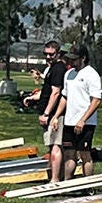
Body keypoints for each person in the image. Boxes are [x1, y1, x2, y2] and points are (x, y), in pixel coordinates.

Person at [59, 44, 102, 178]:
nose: (71, 62)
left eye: (75, 59)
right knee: (69, 154)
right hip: (70, 121)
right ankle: (67, 183)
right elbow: (64, 97)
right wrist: (56, 116)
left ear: (83, 58)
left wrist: (83, 120)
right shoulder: (68, 74)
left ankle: (88, 186)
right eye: (70, 59)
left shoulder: (91, 74)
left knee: (84, 154)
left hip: (86, 123)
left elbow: (96, 100)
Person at [33, 41, 67, 183]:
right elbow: (47, 91)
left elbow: (56, 92)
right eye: (45, 54)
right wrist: (33, 98)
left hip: (54, 115)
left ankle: (55, 179)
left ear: (58, 53)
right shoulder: (52, 68)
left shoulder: (58, 68)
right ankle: (56, 175)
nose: (48, 56)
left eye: (51, 54)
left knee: (55, 146)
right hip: (50, 113)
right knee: (52, 145)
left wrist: (47, 114)